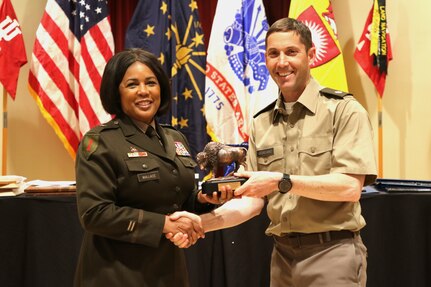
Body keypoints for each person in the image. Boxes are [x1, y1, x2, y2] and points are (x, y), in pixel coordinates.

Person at [168, 18, 377, 287]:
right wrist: (198, 223)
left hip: (332, 253)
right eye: (273, 54)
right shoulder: (261, 122)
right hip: (282, 258)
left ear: (311, 55)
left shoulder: (344, 110)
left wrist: (281, 181)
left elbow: (349, 188)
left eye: (291, 52)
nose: (282, 63)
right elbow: (252, 202)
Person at [74, 48, 231, 287]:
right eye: (132, 85)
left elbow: (176, 198)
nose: (144, 92)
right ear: (116, 91)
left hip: (169, 271)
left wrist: (203, 198)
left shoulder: (174, 138)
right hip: (116, 273)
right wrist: (164, 224)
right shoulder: (100, 141)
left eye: (151, 82)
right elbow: (95, 213)